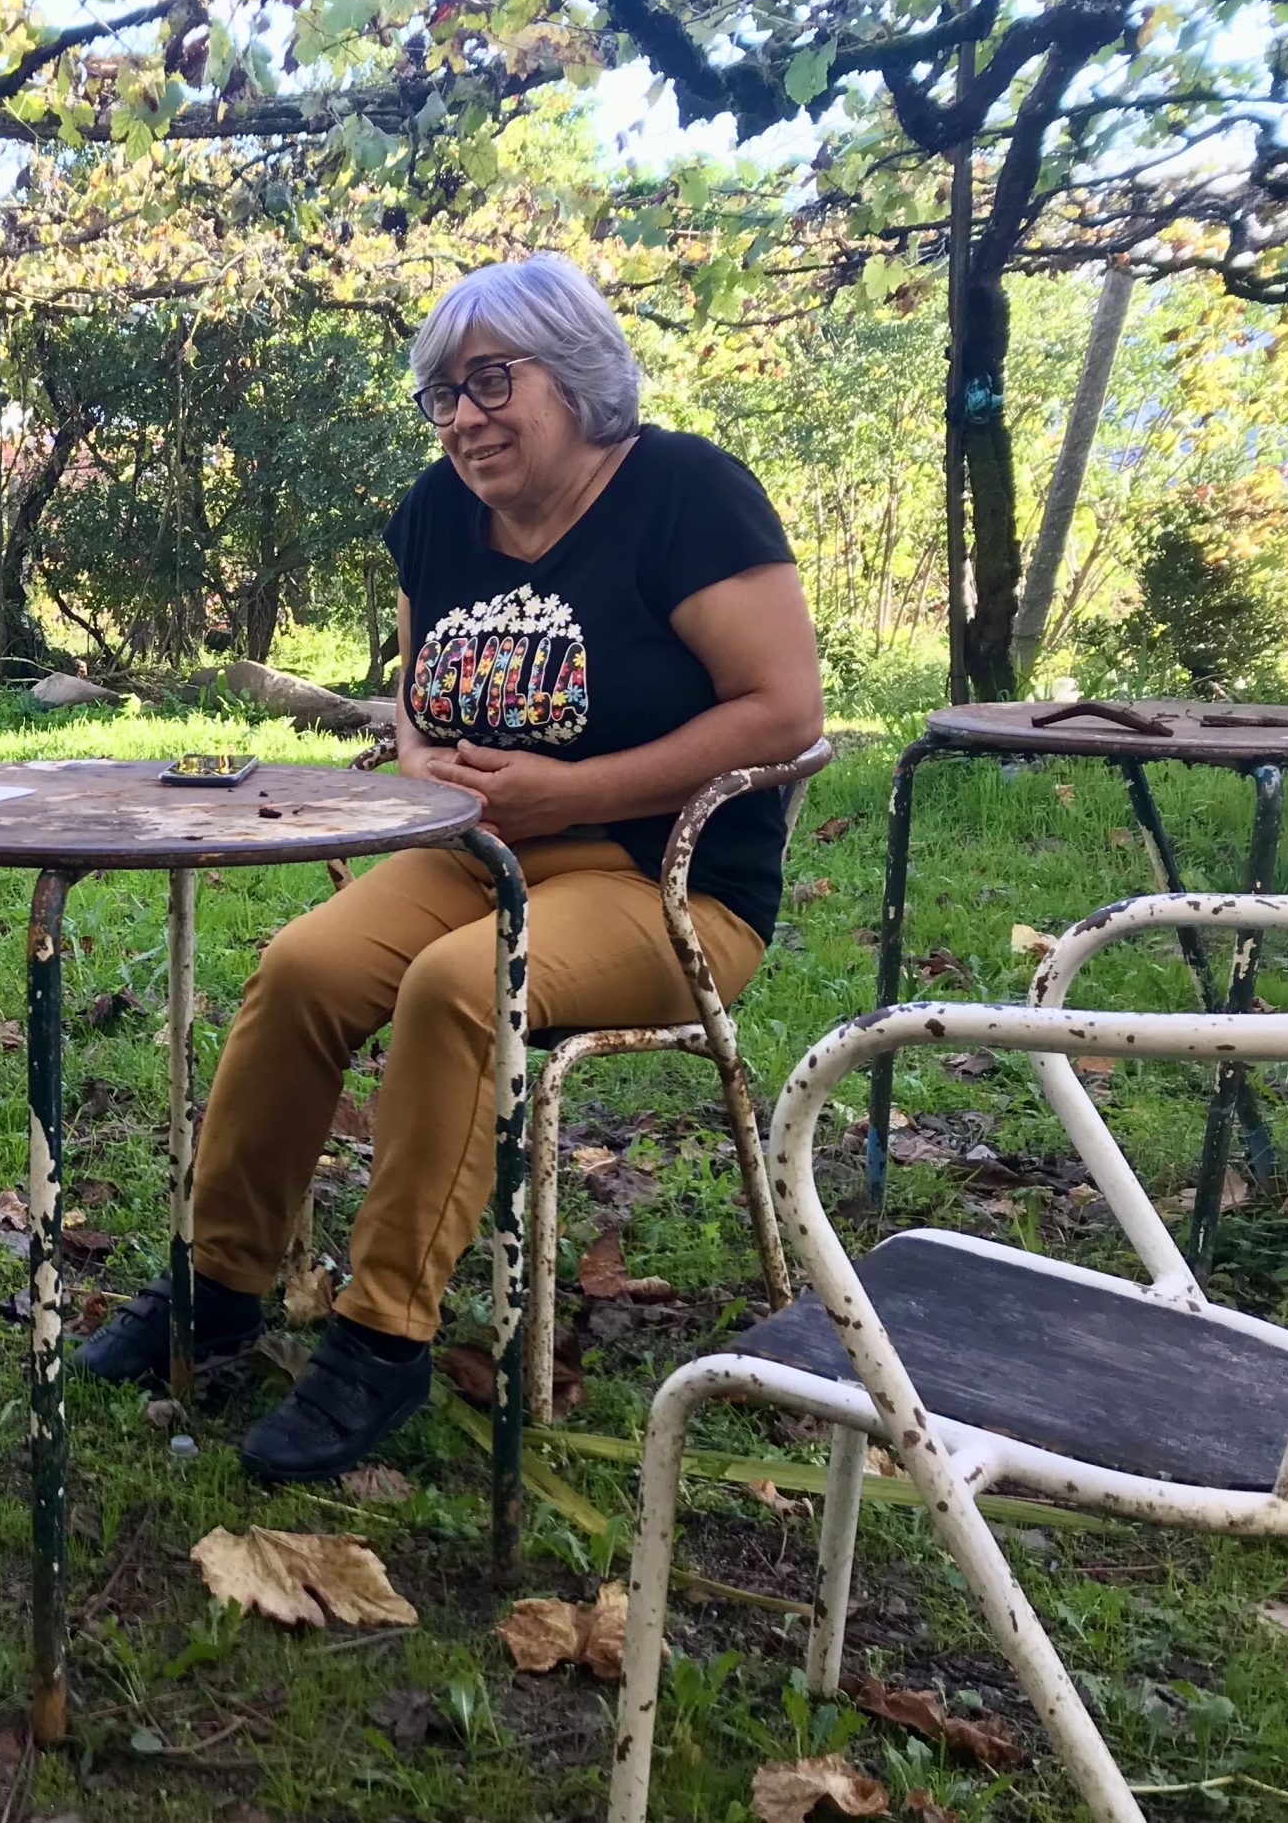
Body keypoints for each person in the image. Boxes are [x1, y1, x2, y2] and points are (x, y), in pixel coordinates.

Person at [79, 254, 826, 1479]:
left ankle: (382, 1337)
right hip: (481, 849)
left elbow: (782, 711)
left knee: (458, 989)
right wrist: (431, 762)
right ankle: (218, 1286)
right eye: (440, 393)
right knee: (303, 966)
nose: (462, 417)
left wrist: (570, 790)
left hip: (667, 885)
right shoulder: (438, 511)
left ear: (576, 375)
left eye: (489, 381)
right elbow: (422, 697)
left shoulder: (686, 493)